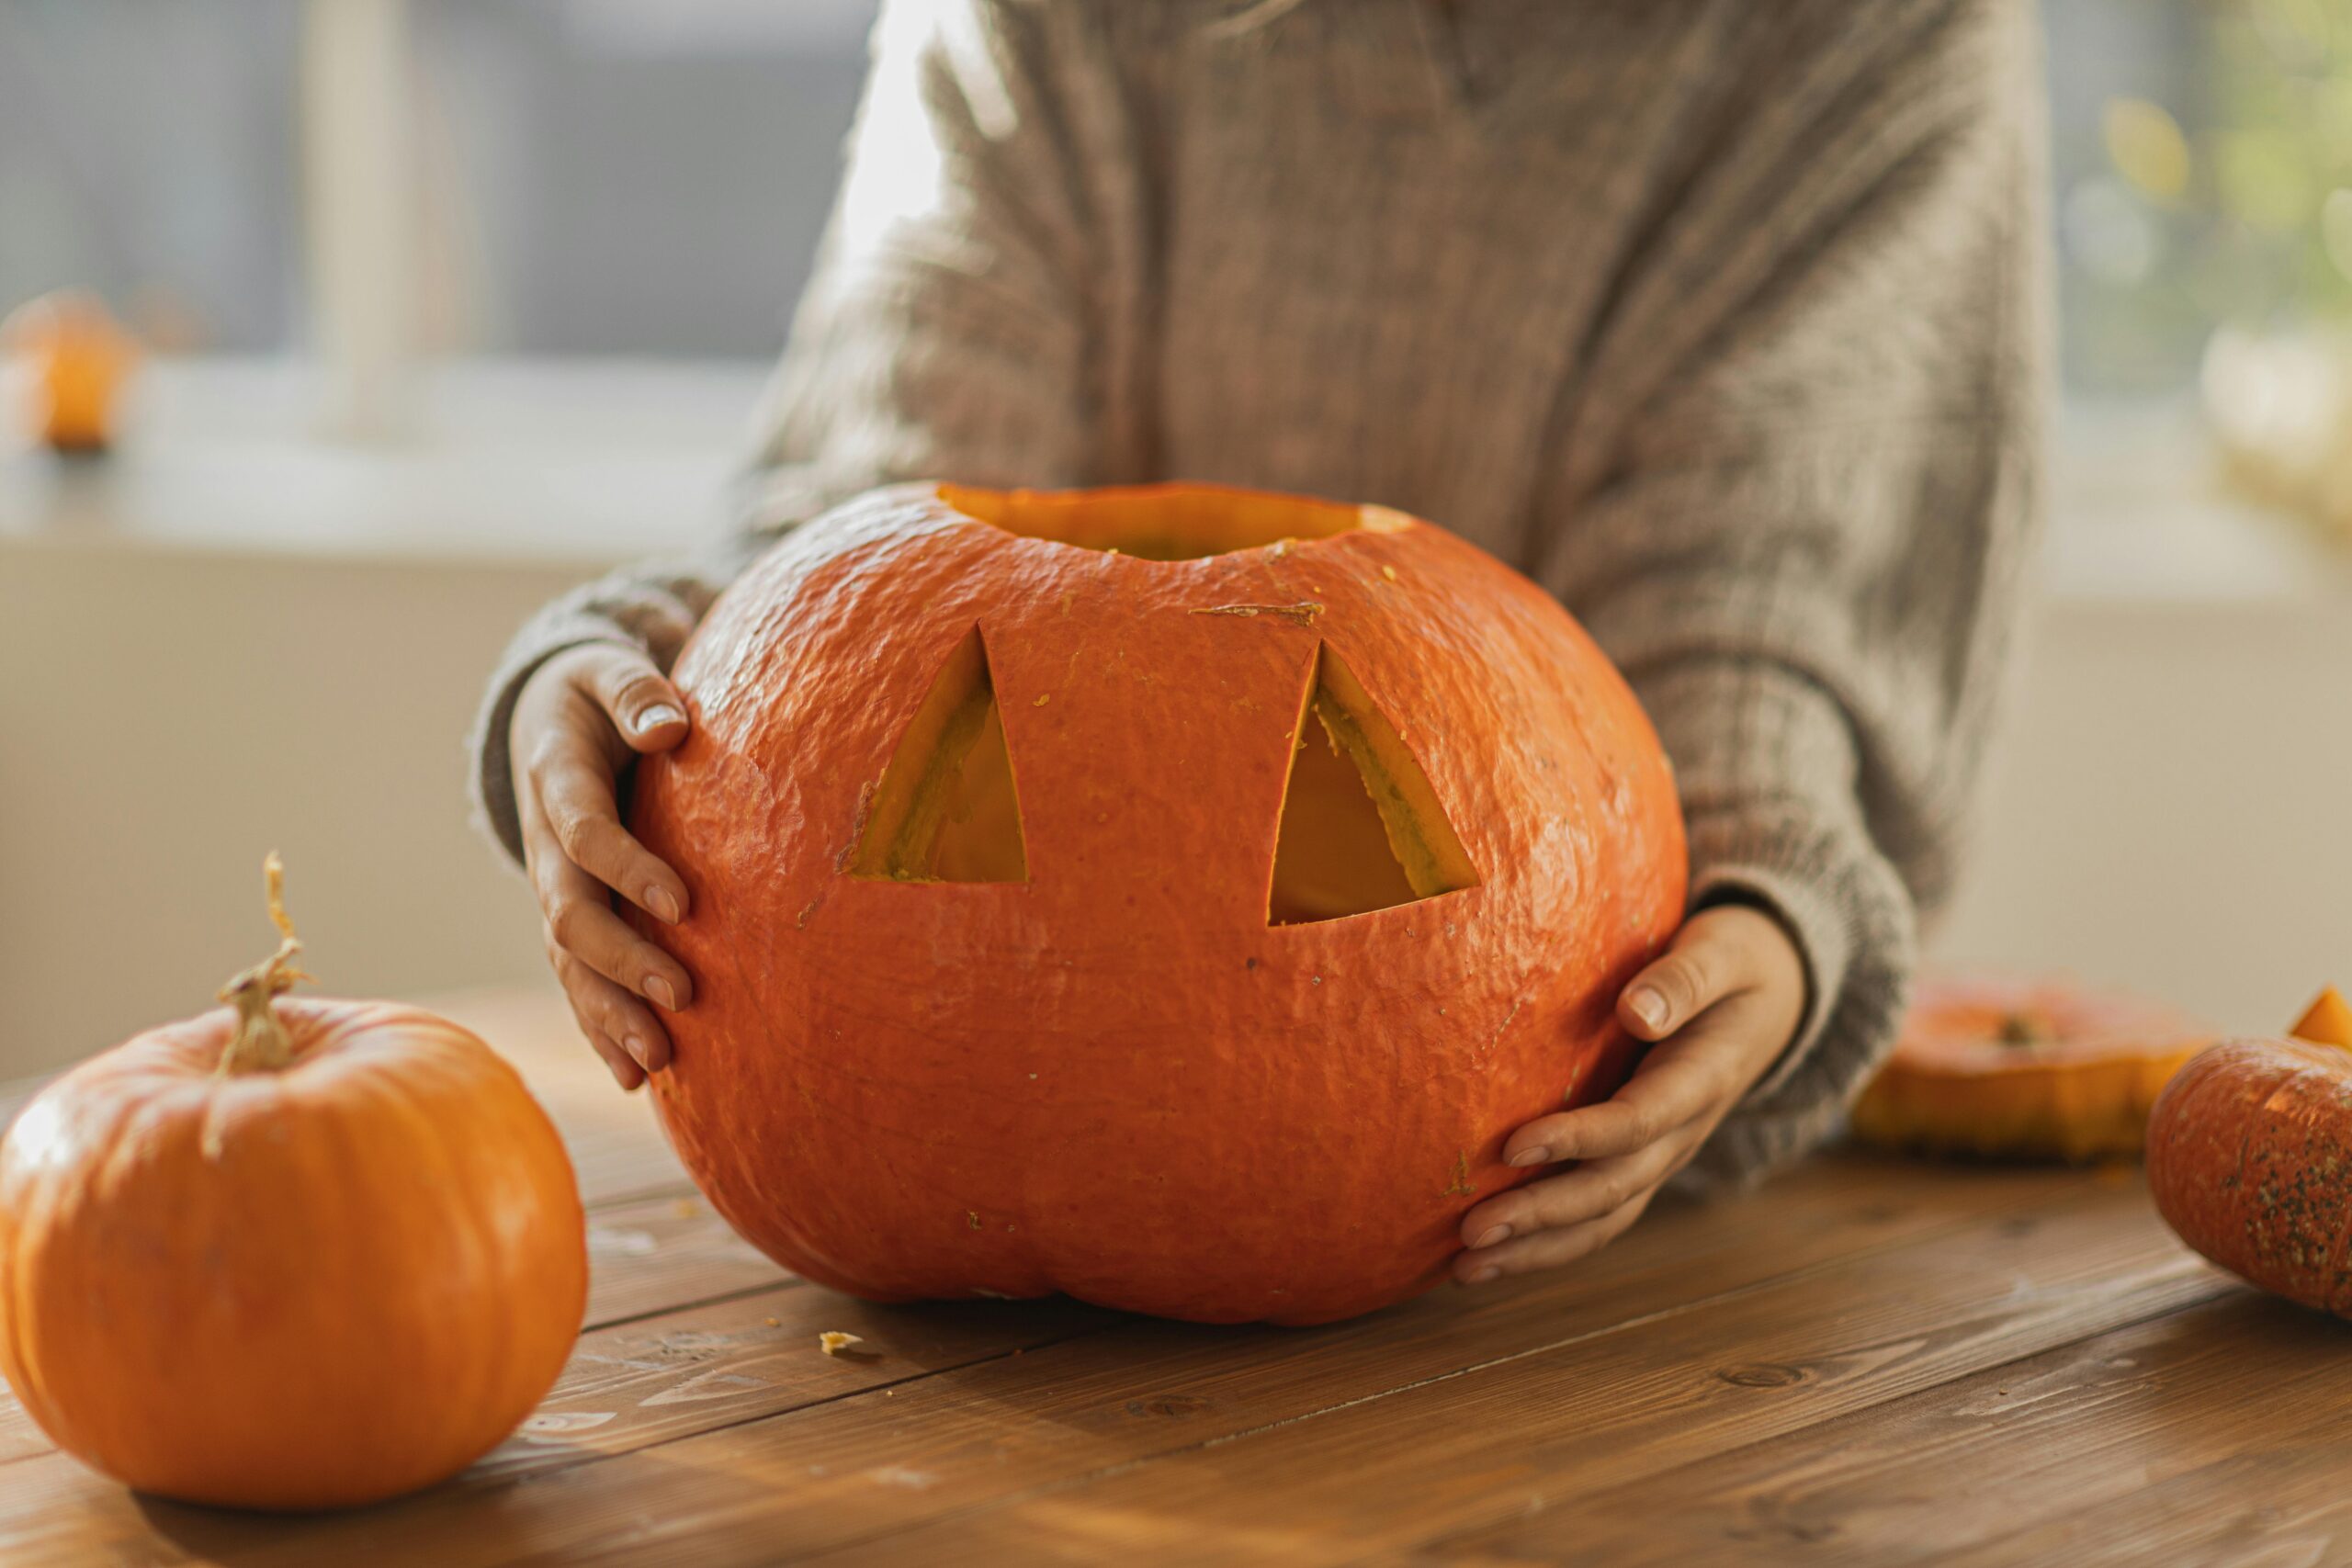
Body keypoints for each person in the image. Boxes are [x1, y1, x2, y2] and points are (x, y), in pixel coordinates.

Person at [469, 0, 2046, 1288]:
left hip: (1526, 1261)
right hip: (894, 1222)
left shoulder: (1869, 36)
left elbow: (1749, 622)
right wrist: (625, 690)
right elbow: (861, 559)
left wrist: (1763, 917)